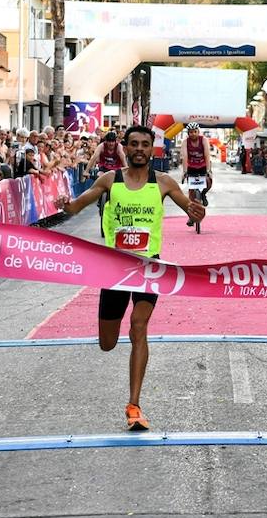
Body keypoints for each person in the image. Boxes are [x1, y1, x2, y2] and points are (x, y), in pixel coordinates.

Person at [62, 125, 205, 430]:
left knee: (139, 328)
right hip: (114, 270)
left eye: (145, 144)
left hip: (148, 268)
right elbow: (78, 205)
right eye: (134, 144)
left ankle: (134, 405)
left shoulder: (163, 182)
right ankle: (132, 399)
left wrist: (196, 212)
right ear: (125, 148)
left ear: (153, 149)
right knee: (107, 343)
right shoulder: (110, 180)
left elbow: (189, 210)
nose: (140, 149)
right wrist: (67, 205)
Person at [182, 122, 213, 226]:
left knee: (209, 181)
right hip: (191, 167)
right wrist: (184, 172)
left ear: (198, 132)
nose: (193, 134)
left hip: (203, 166)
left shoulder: (203, 140)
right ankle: (191, 217)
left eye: (195, 132)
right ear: (188, 133)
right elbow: (185, 157)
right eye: (191, 132)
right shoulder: (185, 142)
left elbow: (207, 155)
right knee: (191, 195)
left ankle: (203, 194)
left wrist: (208, 170)